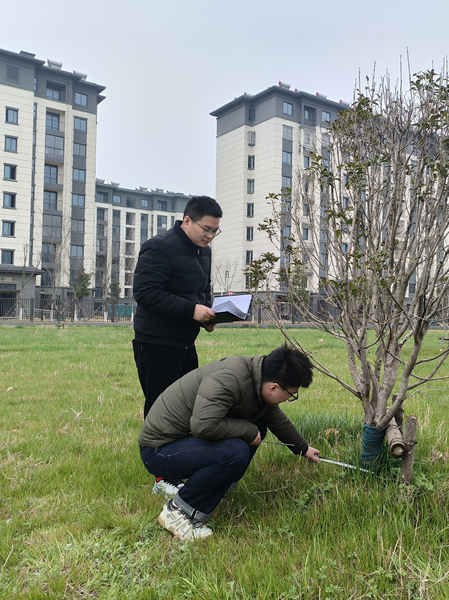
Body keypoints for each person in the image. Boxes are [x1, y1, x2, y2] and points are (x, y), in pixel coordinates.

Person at [138, 344, 321, 541]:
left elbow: (273, 417)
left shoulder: (256, 377)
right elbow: (203, 426)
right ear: (273, 387)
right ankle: (179, 511)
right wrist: (248, 431)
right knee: (235, 451)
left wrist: (302, 448)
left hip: (184, 440)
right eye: (291, 395)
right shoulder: (230, 379)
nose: (288, 399)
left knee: (257, 427)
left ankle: (216, 488)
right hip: (159, 450)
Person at [132, 196, 222, 496]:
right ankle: (161, 476)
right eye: (206, 229)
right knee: (161, 407)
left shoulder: (202, 252)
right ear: (186, 221)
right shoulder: (159, 247)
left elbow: (202, 290)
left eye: (215, 231)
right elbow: (145, 293)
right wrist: (191, 310)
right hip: (155, 341)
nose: (210, 236)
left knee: (187, 405)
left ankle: (180, 462)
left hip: (185, 342)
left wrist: (208, 315)